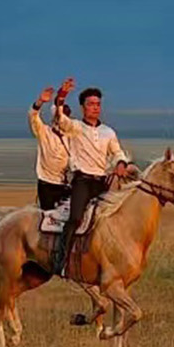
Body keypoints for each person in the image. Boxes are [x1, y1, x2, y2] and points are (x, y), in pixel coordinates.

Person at [51, 78, 133, 278]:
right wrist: (61, 95)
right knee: (76, 218)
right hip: (82, 181)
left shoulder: (108, 132)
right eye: (91, 104)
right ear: (82, 107)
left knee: (114, 220)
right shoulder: (76, 127)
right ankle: (61, 261)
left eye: (98, 104)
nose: (95, 108)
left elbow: (117, 153)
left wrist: (121, 164)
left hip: (102, 182)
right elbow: (60, 118)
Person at [30, 85, 72, 211]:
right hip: (46, 184)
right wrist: (40, 102)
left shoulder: (72, 136)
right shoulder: (44, 132)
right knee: (47, 218)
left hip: (66, 185)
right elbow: (33, 117)